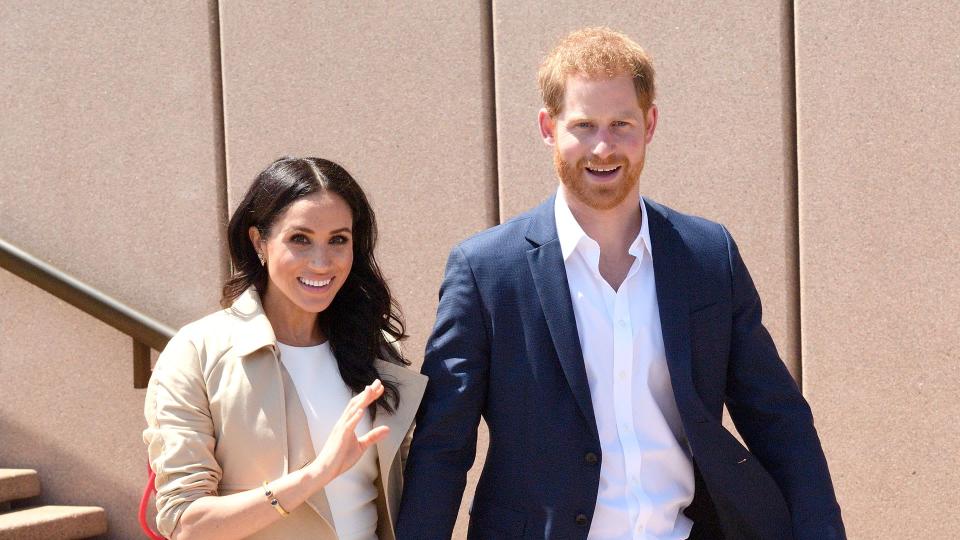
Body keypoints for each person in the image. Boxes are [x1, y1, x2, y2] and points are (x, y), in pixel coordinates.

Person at [396, 27, 844, 540]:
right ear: (548, 127)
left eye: (621, 124)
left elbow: (778, 418)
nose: (603, 147)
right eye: (583, 125)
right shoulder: (486, 271)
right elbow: (443, 447)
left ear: (650, 124)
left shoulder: (706, 255)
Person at [143, 157, 426, 540]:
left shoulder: (374, 350)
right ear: (259, 241)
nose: (322, 262)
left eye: (338, 240)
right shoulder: (196, 353)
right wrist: (314, 476)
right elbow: (186, 523)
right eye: (300, 239)